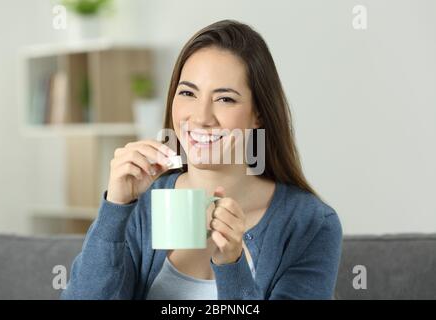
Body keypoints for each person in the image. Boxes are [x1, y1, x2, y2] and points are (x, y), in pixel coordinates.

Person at [61, 19, 342, 300]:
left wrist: (232, 266)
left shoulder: (311, 223)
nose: (201, 117)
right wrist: (115, 208)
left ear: (259, 114)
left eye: (225, 99)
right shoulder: (142, 205)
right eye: (187, 93)